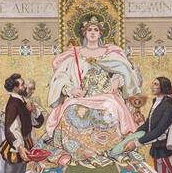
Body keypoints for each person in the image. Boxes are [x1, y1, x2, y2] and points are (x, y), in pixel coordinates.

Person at [43, 15, 142, 160]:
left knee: (112, 107)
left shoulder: (111, 52)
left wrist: (117, 81)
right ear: (84, 32)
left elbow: (126, 71)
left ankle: (108, 150)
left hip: (106, 96)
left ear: (101, 33)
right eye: (89, 29)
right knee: (69, 108)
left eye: (96, 29)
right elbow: (61, 76)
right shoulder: (74, 54)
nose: (93, 32)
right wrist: (71, 89)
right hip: (83, 96)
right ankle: (76, 150)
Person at [0, 73, 46, 173]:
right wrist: (19, 147)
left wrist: (33, 110)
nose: (25, 87)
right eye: (22, 84)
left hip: (25, 144)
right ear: (15, 88)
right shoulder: (13, 104)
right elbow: (10, 129)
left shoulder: (22, 101)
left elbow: (37, 123)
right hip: (16, 147)